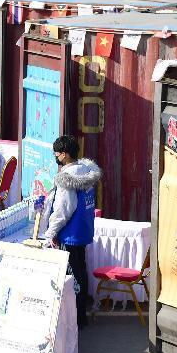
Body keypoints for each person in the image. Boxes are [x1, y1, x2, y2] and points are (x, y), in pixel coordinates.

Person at [41, 135, 102, 329]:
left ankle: (75, 320)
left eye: (57, 153)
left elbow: (63, 210)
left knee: (71, 277)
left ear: (65, 154)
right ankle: (81, 316)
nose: (55, 156)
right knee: (80, 272)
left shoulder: (67, 178)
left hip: (69, 234)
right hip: (83, 230)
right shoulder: (86, 172)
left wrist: (50, 233)